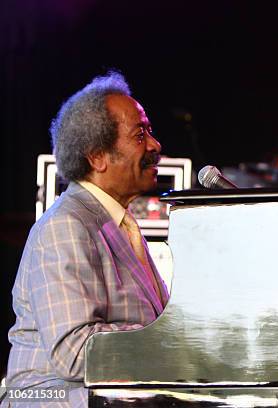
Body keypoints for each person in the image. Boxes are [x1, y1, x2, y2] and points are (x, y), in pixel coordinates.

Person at [2, 72, 169, 407]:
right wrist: (170, 342)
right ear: (97, 157)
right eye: (140, 134)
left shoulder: (118, 222)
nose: (155, 145)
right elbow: (76, 354)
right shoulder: (65, 226)